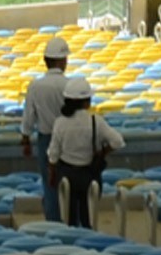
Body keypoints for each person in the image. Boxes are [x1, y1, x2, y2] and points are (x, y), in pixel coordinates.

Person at [45, 73, 120, 227]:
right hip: (89, 174)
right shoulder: (95, 121)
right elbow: (117, 141)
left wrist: (52, 172)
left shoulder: (60, 123)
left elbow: (53, 153)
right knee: (88, 218)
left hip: (66, 173)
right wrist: (103, 152)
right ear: (87, 102)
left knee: (69, 219)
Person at [22, 35, 73, 222]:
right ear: (61, 60)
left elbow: (29, 115)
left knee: (50, 183)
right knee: (70, 180)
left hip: (46, 139)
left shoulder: (36, 86)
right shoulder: (70, 85)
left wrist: (26, 138)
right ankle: (71, 220)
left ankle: (53, 221)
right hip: (68, 140)